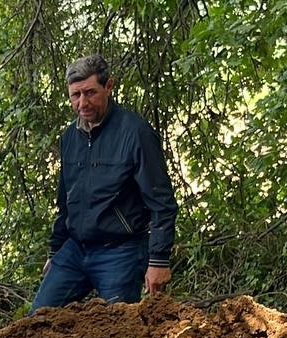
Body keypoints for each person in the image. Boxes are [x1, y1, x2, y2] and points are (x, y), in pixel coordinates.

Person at [31, 53, 178, 311]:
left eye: (90, 93)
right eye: (75, 95)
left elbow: (162, 201)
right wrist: (56, 251)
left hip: (120, 251)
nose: (82, 103)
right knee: (36, 323)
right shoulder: (69, 138)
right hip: (75, 249)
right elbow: (65, 203)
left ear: (109, 86)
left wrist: (158, 260)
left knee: (116, 332)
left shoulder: (134, 133)